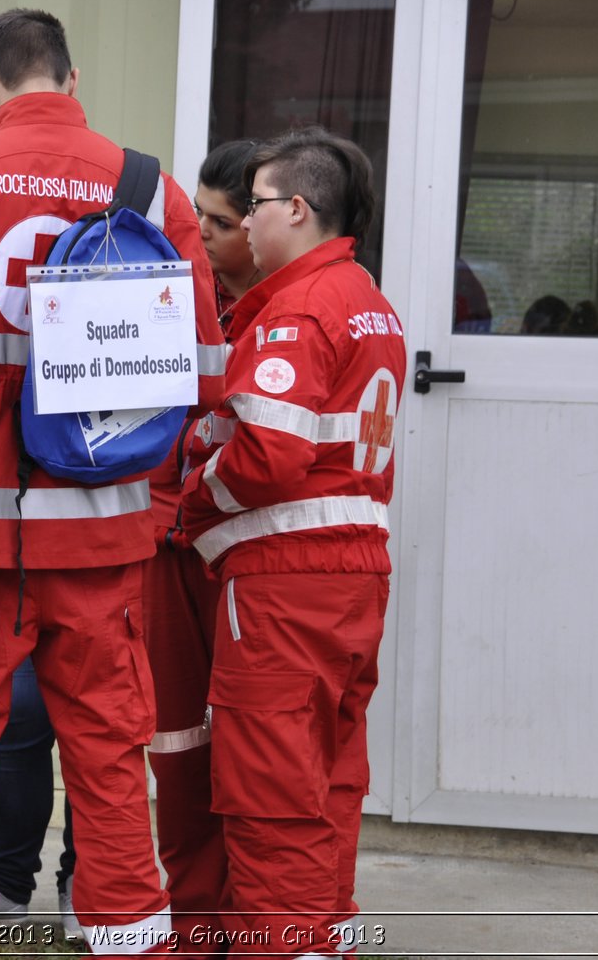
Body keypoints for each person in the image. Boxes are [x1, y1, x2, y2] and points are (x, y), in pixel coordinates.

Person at [0, 8, 228, 958]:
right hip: (104, 533)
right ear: (70, 76)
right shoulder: (153, 190)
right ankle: (131, 940)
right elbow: (206, 377)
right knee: (108, 754)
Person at [179, 126, 405, 958]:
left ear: (297, 210)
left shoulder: (299, 307)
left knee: (272, 793)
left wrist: (195, 502)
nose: (242, 224)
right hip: (353, 580)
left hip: (285, 582)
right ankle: (322, 937)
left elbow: (269, 453)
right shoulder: (367, 297)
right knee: (330, 779)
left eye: (257, 205)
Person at [142, 138, 263, 953]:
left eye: (222, 224)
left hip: (250, 557)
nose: (207, 240)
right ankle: (193, 919)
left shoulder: (296, 313)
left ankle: (258, 917)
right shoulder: (170, 290)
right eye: (201, 221)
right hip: (165, 544)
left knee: (260, 751)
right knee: (177, 741)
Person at [0, 659, 78, 937]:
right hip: (14, 617)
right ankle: (7, 884)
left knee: (89, 724)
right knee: (18, 704)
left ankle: (85, 881)